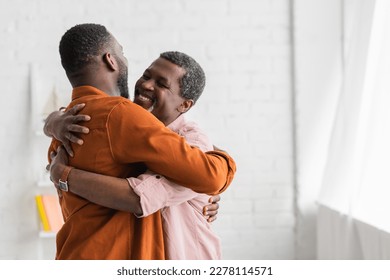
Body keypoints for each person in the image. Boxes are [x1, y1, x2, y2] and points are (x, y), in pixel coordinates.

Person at [47, 23, 236, 260]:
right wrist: (225, 163)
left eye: (162, 84)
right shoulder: (120, 117)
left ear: (185, 105)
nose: (146, 85)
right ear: (111, 60)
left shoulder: (70, 120)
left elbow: (202, 177)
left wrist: (62, 170)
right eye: (146, 75)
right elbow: (209, 176)